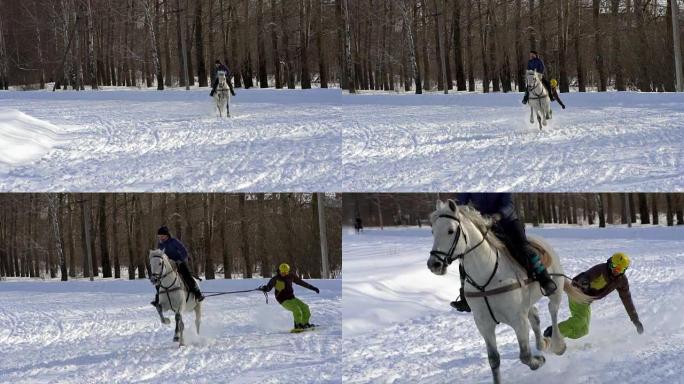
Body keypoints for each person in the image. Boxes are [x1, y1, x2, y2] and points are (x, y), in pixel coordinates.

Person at [450, 193, 557, 312]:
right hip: (483, 223)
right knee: (468, 255)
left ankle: (544, 279)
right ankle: (465, 296)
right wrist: (451, 209)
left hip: (508, 221)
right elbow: (459, 202)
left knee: (522, 247)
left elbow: (509, 205)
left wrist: (498, 215)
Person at [544, 253, 643, 341]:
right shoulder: (601, 269)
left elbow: (627, 299)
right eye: (613, 266)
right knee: (580, 319)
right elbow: (587, 276)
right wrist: (584, 282)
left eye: (619, 269)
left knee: (583, 331)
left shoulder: (621, 281)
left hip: (586, 300)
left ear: (624, 270)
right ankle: (552, 334)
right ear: (610, 262)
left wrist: (635, 320)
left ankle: (558, 336)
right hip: (577, 292)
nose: (615, 270)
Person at [258, 263, 320, 332]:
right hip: (283, 299)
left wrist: (313, 288)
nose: (284, 273)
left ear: (288, 271)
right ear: (279, 271)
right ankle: (297, 325)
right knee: (297, 310)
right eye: (282, 272)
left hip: (291, 297)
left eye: (285, 272)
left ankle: (305, 324)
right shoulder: (276, 279)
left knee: (305, 307)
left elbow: (301, 282)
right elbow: (268, 287)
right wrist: (265, 288)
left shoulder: (291, 276)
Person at [152, 226, 204, 306]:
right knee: (158, 279)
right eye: (159, 236)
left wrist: (180, 260)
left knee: (187, 275)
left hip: (179, 262)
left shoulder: (174, 241)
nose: (160, 238)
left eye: (162, 236)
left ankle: (197, 294)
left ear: (167, 235)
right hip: (168, 264)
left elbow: (184, 251)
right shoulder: (160, 244)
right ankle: (158, 298)